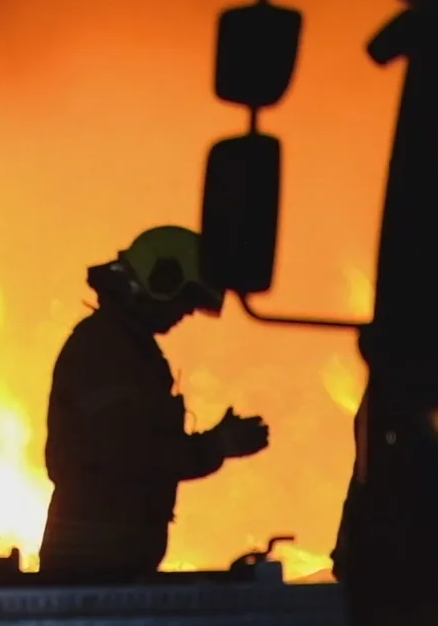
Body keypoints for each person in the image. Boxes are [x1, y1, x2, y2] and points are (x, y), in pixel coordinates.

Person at [36, 225, 271, 584]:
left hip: (107, 560)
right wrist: (216, 445)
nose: (184, 314)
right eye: (185, 301)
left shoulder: (127, 348)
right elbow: (129, 455)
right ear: (162, 280)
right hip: (92, 566)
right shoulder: (106, 352)